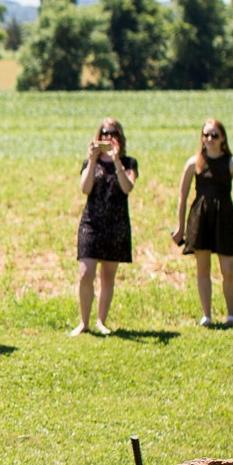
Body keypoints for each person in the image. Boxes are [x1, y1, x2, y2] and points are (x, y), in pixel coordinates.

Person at [171, 118, 233, 326]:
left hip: (225, 217)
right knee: (203, 269)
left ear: (223, 138)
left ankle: (231, 315)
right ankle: (206, 315)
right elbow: (182, 195)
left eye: (214, 135)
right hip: (201, 217)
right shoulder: (193, 163)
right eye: (206, 135)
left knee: (228, 270)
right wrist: (180, 226)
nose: (210, 139)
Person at [72, 117, 138, 336]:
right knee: (85, 272)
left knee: (108, 276)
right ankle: (84, 322)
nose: (108, 138)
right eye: (104, 134)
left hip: (116, 224)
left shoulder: (129, 163)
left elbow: (127, 187)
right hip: (91, 223)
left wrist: (117, 161)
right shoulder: (89, 162)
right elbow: (84, 188)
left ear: (120, 137)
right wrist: (92, 161)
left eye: (113, 134)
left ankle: (101, 321)